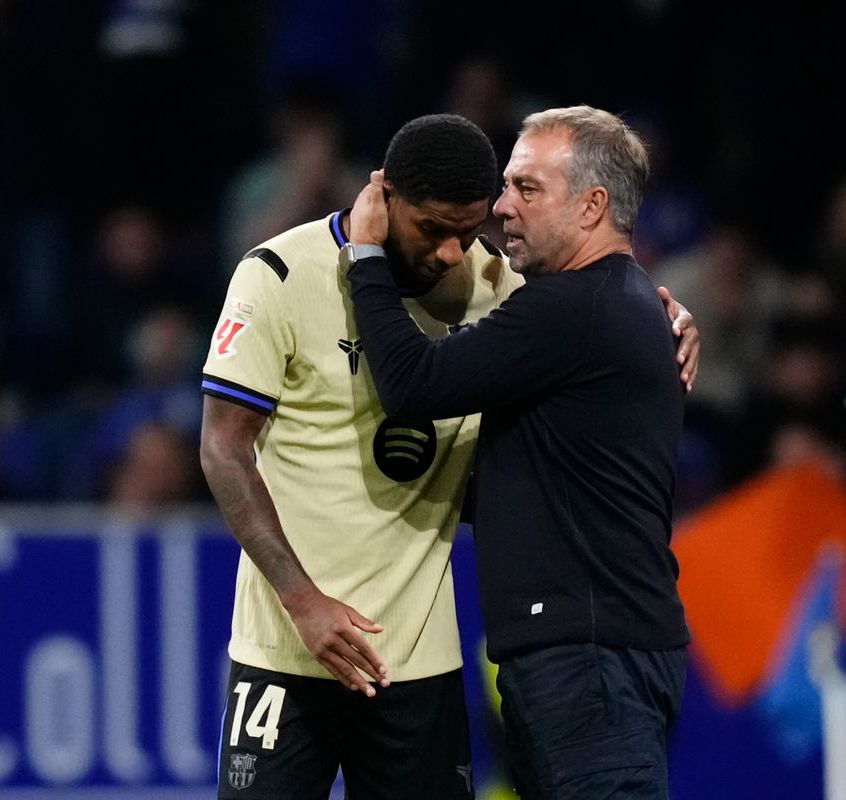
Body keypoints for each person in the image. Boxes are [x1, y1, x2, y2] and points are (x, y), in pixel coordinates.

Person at [200, 112, 699, 799]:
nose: (449, 254)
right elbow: (224, 451)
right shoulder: (279, 272)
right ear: (386, 195)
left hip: (419, 665)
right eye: (432, 230)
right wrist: (302, 600)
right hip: (286, 648)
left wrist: (663, 315)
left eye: (467, 233)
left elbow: (591, 307)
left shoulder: (497, 286)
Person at [344, 105, 692, 799]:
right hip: (592, 653)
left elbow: (413, 384)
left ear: (593, 206)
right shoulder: (617, 304)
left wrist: (366, 257)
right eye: (507, 185)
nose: (501, 207)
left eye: (527, 188)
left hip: (589, 660)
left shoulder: (572, 308)